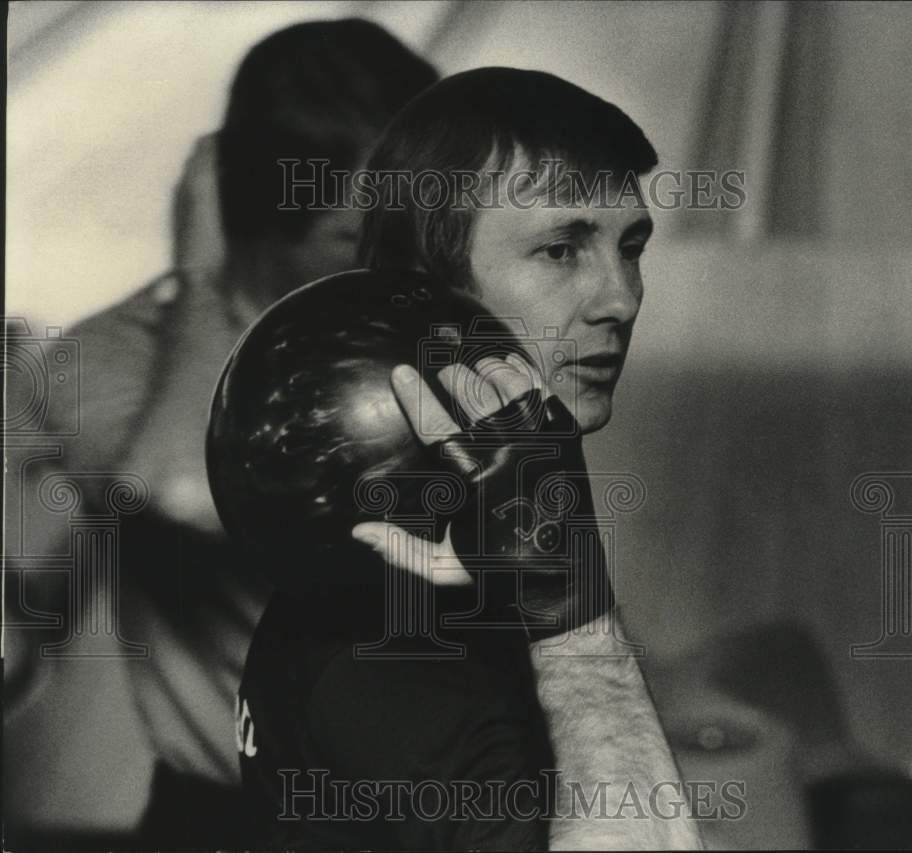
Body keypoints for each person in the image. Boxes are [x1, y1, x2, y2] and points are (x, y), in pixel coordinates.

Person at [237, 67, 703, 850]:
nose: (619, 297)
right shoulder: (392, 652)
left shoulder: (445, 548)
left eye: (631, 248)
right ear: (431, 295)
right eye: (562, 249)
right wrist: (579, 620)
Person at [5, 19, 437, 848]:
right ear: (259, 224)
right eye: (362, 235)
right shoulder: (101, 363)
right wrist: (201, 283)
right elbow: (176, 486)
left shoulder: (414, 327)